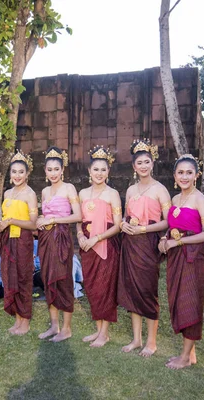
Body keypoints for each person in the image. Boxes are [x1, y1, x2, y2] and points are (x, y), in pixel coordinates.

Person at [158, 154, 204, 370]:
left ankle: (184, 357)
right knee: (179, 300)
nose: (184, 176)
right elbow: (173, 227)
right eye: (180, 172)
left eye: (189, 172)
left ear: (196, 175)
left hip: (192, 257)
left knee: (190, 301)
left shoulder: (199, 199)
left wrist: (178, 243)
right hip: (175, 257)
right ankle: (190, 353)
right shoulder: (174, 200)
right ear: (174, 175)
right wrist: (166, 239)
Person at [117, 139, 171, 357]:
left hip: (148, 244)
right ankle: (136, 339)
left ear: (152, 163)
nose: (143, 166)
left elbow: (168, 221)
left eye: (147, 161)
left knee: (147, 290)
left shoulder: (160, 190)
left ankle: (151, 341)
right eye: (139, 162)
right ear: (134, 166)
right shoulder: (130, 190)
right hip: (130, 244)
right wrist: (123, 224)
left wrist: (144, 230)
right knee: (132, 289)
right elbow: (125, 216)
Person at [36, 147, 82, 342]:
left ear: (62, 170)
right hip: (46, 240)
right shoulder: (45, 191)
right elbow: (44, 217)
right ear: (45, 171)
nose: (53, 173)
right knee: (48, 279)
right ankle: (54, 325)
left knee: (63, 280)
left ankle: (66, 328)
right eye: (49, 169)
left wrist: (54, 219)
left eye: (57, 169)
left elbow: (78, 216)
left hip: (62, 238)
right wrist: (41, 220)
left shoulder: (69, 188)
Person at [77, 146, 122, 348]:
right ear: (89, 171)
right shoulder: (83, 193)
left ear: (108, 172)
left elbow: (119, 225)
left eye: (103, 170)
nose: (99, 173)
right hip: (86, 244)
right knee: (92, 286)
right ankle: (97, 329)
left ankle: (104, 333)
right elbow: (79, 219)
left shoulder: (113, 194)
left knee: (105, 287)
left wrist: (97, 238)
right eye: (96, 169)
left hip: (106, 245)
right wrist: (79, 234)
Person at [0, 149, 38, 336]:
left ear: (27, 174)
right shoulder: (7, 194)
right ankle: (17, 318)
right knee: (9, 276)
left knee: (23, 277)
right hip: (8, 240)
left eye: (21, 172)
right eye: (14, 172)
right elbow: (4, 218)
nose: (17, 176)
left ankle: (25, 320)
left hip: (23, 240)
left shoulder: (30, 194)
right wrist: (0, 224)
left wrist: (12, 221)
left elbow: (33, 224)